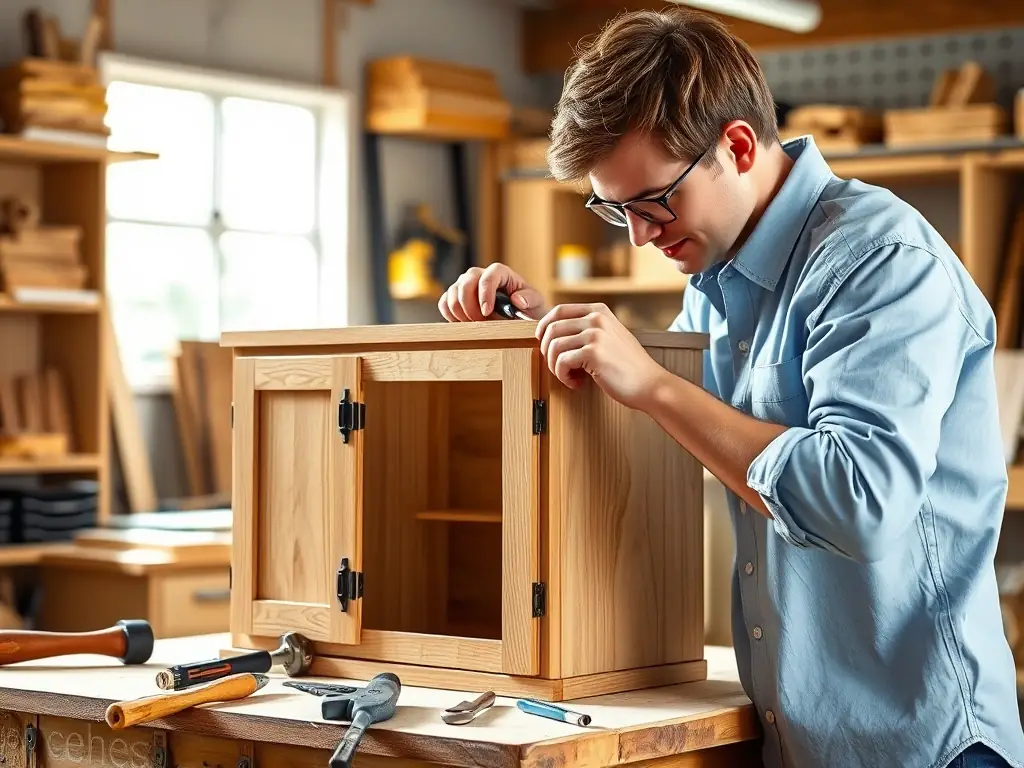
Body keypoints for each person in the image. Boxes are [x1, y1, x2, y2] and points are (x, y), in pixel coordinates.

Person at [437, 6, 1024, 768]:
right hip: (803, 736)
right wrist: (552, 335)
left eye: (652, 201)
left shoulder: (877, 261)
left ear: (737, 146)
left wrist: (652, 384)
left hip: (920, 744)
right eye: (614, 209)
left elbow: (860, 501)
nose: (640, 235)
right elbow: (706, 443)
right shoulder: (716, 280)